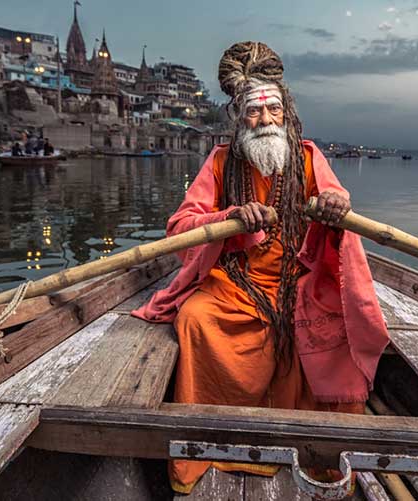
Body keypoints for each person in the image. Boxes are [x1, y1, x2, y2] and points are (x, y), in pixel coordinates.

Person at [133, 41, 390, 494]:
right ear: (238, 116)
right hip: (237, 283)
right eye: (254, 112)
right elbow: (180, 228)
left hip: (302, 281)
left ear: (287, 112)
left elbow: (340, 204)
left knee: (336, 325)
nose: (266, 121)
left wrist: (335, 203)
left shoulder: (309, 157)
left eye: (273, 110)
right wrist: (227, 219)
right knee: (195, 319)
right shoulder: (220, 162)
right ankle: (213, 447)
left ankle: (317, 451)